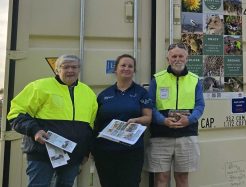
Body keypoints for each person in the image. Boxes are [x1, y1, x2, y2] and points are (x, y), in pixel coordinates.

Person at [7, 54, 98, 187]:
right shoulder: (39, 86)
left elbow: (91, 126)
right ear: (56, 70)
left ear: (79, 70)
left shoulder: (88, 93)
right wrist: (35, 131)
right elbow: (15, 113)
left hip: (72, 156)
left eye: (74, 67)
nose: (70, 70)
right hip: (42, 153)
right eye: (65, 67)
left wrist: (85, 152)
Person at [146, 42, 205, 187]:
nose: (177, 59)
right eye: (174, 56)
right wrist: (162, 120)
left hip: (187, 136)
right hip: (161, 136)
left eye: (180, 56)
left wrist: (190, 119)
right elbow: (150, 105)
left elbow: (200, 105)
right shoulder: (157, 79)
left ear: (187, 58)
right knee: (161, 179)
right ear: (168, 59)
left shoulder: (195, 80)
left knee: (182, 179)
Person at [92, 54, 152, 187]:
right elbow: (96, 123)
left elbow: (148, 118)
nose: (126, 68)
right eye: (123, 65)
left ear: (134, 70)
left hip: (131, 151)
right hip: (105, 151)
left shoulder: (141, 92)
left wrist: (137, 120)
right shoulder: (104, 94)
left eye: (130, 66)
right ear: (116, 69)